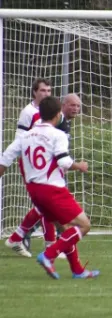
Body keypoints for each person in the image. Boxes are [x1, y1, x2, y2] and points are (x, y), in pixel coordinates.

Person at [0, 96, 98, 279]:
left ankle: (77, 270)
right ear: (58, 114)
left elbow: (6, 158)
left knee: (65, 228)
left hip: (34, 191)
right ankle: (49, 254)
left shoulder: (26, 136)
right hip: (52, 189)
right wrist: (80, 166)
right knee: (84, 225)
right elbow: (63, 161)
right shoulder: (58, 134)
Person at [4, 78, 53, 257]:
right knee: (45, 204)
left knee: (45, 205)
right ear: (34, 92)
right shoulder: (29, 112)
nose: (46, 94)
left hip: (46, 164)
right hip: (31, 164)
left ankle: (21, 236)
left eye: (49, 91)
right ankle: (45, 243)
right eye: (43, 91)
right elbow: (20, 139)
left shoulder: (51, 111)